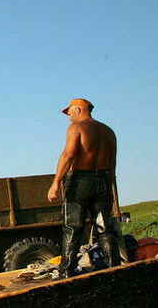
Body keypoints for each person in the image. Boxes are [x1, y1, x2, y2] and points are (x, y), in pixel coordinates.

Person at [47, 98, 122, 279]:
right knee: (104, 227)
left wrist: (55, 182)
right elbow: (112, 165)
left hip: (80, 180)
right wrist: (111, 189)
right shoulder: (109, 132)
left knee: (72, 228)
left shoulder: (76, 128)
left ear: (79, 110)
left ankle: (66, 273)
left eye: (70, 112)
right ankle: (115, 269)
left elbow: (68, 156)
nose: (69, 117)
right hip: (103, 179)